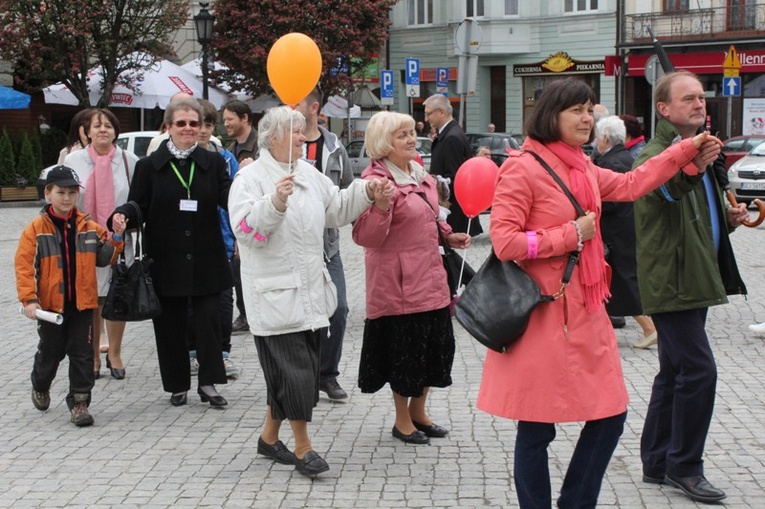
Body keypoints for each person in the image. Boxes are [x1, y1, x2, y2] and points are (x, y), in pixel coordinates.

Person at [476, 77, 721, 508]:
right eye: (577, 110)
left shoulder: (583, 166)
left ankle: (576, 502)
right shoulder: (523, 167)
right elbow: (505, 243)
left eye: (590, 109)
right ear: (552, 115)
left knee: (611, 415)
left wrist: (685, 151)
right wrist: (569, 234)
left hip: (587, 310)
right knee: (537, 428)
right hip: (542, 316)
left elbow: (632, 184)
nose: (587, 118)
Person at [228, 106, 392, 476]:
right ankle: (304, 448)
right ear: (273, 138)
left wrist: (365, 190)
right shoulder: (250, 179)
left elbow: (335, 209)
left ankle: (269, 439)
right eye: (296, 132)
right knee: (299, 374)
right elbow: (246, 233)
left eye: (303, 131)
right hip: (273, 297)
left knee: (290, 373)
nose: (304, 137)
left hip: (310, 292)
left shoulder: (308, 173)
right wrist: (274, 205)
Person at [634, 71, 748, 504]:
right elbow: (664, 194)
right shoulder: (657, 153)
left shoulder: (698, 151)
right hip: (673, 282)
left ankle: (657, 461)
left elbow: (696, 221)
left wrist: (729, 222)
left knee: (675, 372)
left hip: (694, 276)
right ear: (664, 109)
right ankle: (685, 467)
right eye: (689, 99)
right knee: (699, 371)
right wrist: (693, 167)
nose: (700, 104)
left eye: (702, 98)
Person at [352, 111, 471, 446]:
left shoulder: (419, 174)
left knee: (434, 349)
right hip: (398, 285)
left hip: (431, 279)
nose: (410, 139)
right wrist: (380, 206)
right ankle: (402, 420)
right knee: (405, 354)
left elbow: (430, 217)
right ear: (382, 143)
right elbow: (365, 237)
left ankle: (420, 412)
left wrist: (448, 236)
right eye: (400, 135)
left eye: (410, 132)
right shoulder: (374, 182)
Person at [110, 98, 232, 408]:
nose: (189, 128)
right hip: (165, 256)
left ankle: (208, 383)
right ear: (168, 128)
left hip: (206, 256)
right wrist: (123, 214)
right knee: (170, 325)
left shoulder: (214, 163)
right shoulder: (149, 166)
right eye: (181, 123)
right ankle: (178, 384)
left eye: (194, 123)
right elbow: (138, 205)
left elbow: (231, 198)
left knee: (208, 323)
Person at [16, 166, 125, 426]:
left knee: (82, 354)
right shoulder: (35, 229)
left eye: (72, 192)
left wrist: (117, 237)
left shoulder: (89, 227)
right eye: (61, 192)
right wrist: (29, 300)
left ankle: (79, 402)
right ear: (48, 193)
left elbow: (105, 259)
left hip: (83, 305)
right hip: (51, 308)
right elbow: (23, 266)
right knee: (51, 352)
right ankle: (41, 384)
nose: (67, 198)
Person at [65, 108, 139, 380]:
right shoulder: (74, 161)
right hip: (85, 241)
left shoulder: (129, 160)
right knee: (92, 299)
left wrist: (126, 217)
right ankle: (94, 353)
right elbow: (65, 199)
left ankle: (115, 352)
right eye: (97, 126)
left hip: (119, 240)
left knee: (116, 297)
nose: (103, 130)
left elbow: (138, 200)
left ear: (115, 131)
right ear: (87, 131)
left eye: (108, 125)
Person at [295, 87, 355, 400]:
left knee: (339, 308)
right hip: (292, 246)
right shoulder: (285, 145)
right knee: (300, 314)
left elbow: (347, 192)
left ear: (314, 107)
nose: (289, 106)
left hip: (327, 246)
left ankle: (327, 375)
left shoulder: (334, 146)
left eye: (296, 102)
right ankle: (303, 375)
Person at [186, 98, 241, 380]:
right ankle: (193, 352)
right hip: (192, 241)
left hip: (224, 239)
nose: (204, 130)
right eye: (200, 124)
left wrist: (238, 239)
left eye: (208, 124)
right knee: (192, 301)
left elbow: (238, 201)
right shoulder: (182, 159)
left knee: (223, 300)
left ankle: (223, 353)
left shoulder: (225, 159)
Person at [593, 116, 657, 349]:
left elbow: (613, 200)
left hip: (616, 232)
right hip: (620, 230)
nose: (595, 142)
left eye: (597, 137)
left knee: (621, 281)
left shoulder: (614, 161)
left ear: (606, 138)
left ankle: (649, 327)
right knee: (615, 281)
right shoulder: (619, 157)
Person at [425, 93, 483, 237]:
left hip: (453, 214)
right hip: (450, 211)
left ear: (441, 112)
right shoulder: (449, 134)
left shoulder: (452, 137)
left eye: (428, 114)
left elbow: (455, 178)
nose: (426, 119)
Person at [223, 99, 258, 333]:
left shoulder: (259, 146)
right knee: (238, 270)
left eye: (229, 119)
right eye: (224, 120)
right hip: (235, 217)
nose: (225, 124)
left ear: (244, 118)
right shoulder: (230, 149)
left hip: (256, 215)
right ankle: (245, 313)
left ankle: (253, 312)